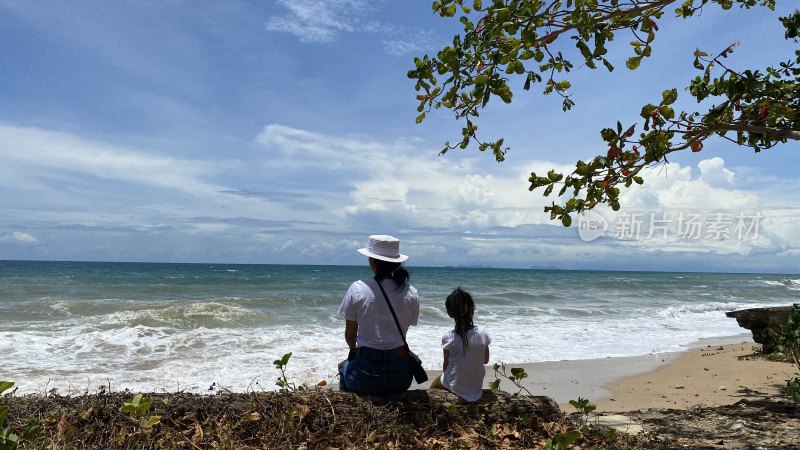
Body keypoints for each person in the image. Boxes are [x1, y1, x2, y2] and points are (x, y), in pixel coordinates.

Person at [337, 235, 420, 395]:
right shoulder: (411, 292)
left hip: (365, 377)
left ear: (372, 262)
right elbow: (404, 329)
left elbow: (350, 334)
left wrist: (352, 349)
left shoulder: (357, 288)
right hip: (401, 378)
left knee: (343, 367)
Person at [430, 287, 491, 402]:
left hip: (456, 387)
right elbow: (485, 360)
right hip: (476, 387)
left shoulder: (449, 337)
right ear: (472, 309)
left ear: (449, 313)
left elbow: (446, 366)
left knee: (435, 384)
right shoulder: (483, 333)